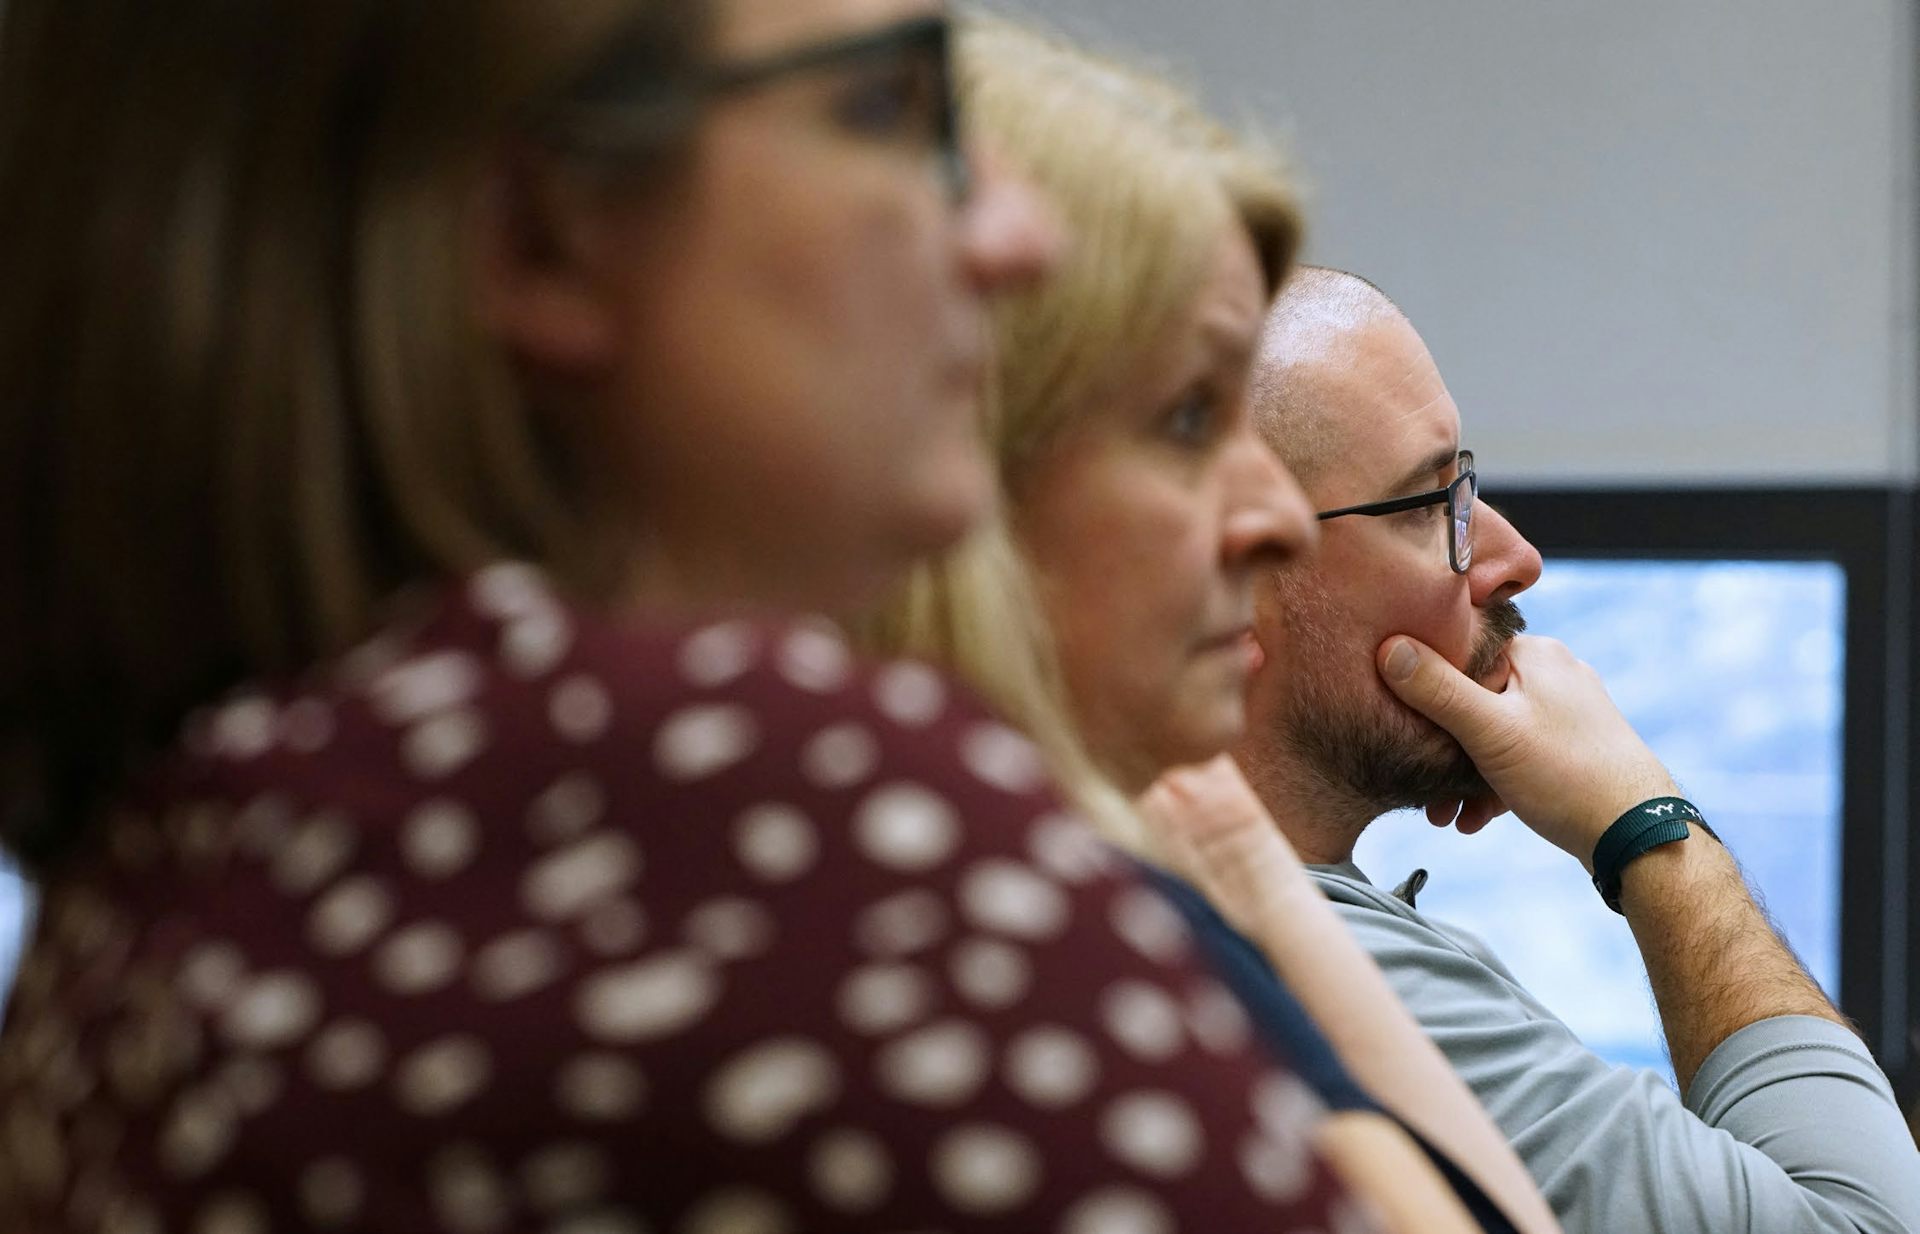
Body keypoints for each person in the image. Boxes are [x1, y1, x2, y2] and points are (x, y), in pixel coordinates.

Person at [0, 1, 1387, 1229]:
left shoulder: (171, 879)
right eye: (892, 105)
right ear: (549, 228)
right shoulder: (717, 790)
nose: (1015, 234)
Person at [860, 19, 1561, 1234]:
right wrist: (1657, 836)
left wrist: (1240, 863)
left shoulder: (1135, 882)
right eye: (1188, 421)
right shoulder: (987, 958)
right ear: (963, 476)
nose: (1270, 524)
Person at [1232, 265, 1920, 1232]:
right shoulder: (1309, 966)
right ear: (1224, 583)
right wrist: (1645, 822)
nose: (1516, 556)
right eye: (1432, 509)